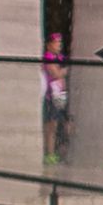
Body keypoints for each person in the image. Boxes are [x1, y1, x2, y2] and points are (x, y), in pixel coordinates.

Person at [40, 33, 70, 163]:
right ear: (49, 44)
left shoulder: (61, 58)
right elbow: (56, 73)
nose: (59, 45)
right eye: (56, 42)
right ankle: (50, 153)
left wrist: (62, 71)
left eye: (60, 42)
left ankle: (57, 151)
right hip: (51, 95)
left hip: (61, 94)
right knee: (51, 125)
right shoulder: (48, 57)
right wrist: (64, 71)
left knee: (61, 124)